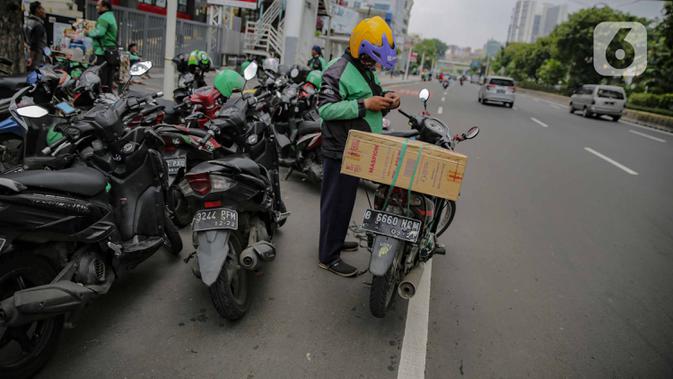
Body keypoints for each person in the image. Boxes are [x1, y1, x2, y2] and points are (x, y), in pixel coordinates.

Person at [317, 16, 400, 277]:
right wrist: (364, 105)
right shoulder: (337, 69)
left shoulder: (364, 70)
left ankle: (337, 241)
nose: (373, 64)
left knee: (346, 202)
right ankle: (328, 257)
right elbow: (325, 108)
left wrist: (389, 100)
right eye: (370, 58)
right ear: (357, 48)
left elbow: (373, 94)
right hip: (340, 149)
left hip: (357, 149)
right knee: (336, 203)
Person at [86, 0, 118, 92]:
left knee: (102, 78)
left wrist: (87, 32)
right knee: (109, 80)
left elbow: (99, 33)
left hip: (103, 53)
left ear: (105, 7)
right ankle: (108, 97)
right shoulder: (111, 16)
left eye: (98, 6)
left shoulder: (103, 18)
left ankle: (102, 99)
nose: (96, 7)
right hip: (110, 52)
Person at [24, 1, 48, 71]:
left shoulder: (27, 22)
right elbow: (34, 44)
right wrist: (31, 58)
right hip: (36, 59)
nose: (44, 11)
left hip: (27, 56)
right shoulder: (38, 25)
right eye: (42, 9)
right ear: (37, 10)